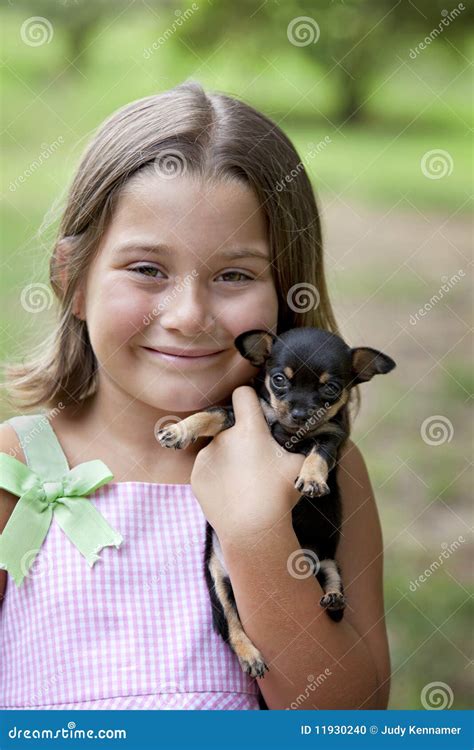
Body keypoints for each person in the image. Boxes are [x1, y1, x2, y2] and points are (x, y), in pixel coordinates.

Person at [0, 81, 390, 710]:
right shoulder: (15, 466)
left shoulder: (324, 471)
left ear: (288, 299)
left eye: (234, 275)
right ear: (71, 280)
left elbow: (350, 718)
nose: (188, 315)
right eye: (148, 269)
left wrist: (260, 533)